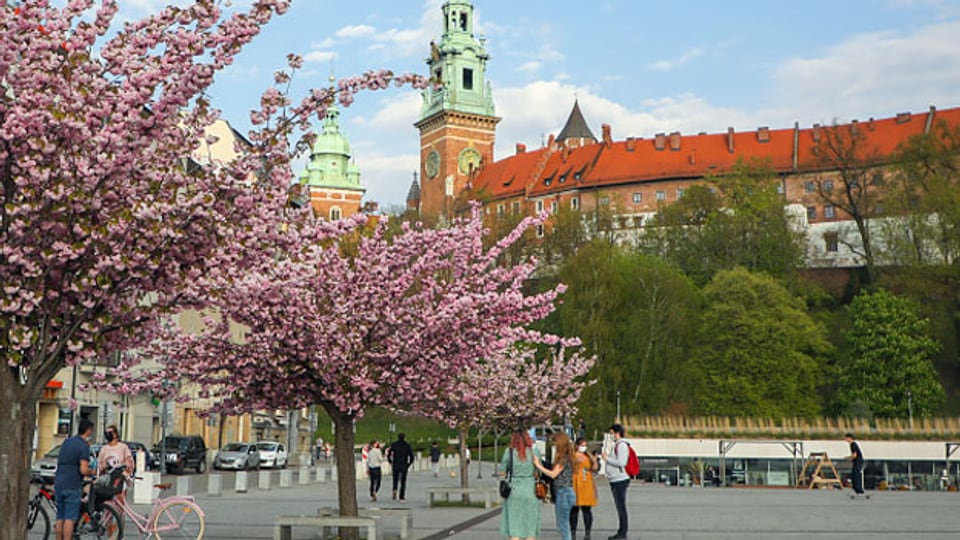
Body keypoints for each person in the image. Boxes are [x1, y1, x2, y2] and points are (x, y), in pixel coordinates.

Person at [55, 418, 95, 540]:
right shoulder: (83, 446)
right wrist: (91, 472)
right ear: (88, 431)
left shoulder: (67, 442)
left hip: (60, 482)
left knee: (60, 517)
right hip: (73, 483)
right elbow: (83, 469)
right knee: (69, 518)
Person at [534, 433, 576, 540]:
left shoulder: (563, 458)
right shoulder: (569, 457)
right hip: (567, 492)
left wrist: (538, 465)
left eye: (554, 443)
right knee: (564, 523)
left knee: (563, 525)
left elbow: (553, 474)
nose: (553, 445)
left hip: (563, 492)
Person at [500, 429, 541, 540]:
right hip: (530, 489)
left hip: (514, 490)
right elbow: (539, 471)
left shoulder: (509, 452)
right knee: (530, 526)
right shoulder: (534, 452)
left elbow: (502, 472)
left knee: (515, 525)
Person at [601, 423, 630, 540]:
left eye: (612, 433)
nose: (611, 436)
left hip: (620, 479)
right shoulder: (617, 445)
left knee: (621, 506)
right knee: (619, 506)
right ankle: (621, 530)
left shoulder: (622, 445)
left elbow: (622, 462)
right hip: (615, 479)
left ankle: (623, 532)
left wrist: (607, 458)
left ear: (617, 433)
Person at [96, 424, 133, 504]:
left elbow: (129, 461)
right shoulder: (104, 449)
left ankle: (120, 515)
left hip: (120, 479)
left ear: (115, 434)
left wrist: (127, 471)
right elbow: (100, 465)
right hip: (108, 479)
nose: (108, 434)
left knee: (120, 503)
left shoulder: (123, 447)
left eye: (110, 432)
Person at [570, 437, 599, 539]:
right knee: (574, 509)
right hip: (575, 481)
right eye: (581, 445)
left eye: (585, 445)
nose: (583, 447)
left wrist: (594, 460)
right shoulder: (572, 455)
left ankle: (588, 532)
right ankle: (572, 532)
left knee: (587, 509)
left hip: (587, 482)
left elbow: (595, 468)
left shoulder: (588, 456)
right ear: (577, 445)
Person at [389, 433, 414, 501]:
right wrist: (408, 464)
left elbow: (389, 453)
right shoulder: (407, 445)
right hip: (404, 464)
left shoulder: (394, 444)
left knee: (395, 479)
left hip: (396, 464)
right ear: (404, 438)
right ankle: (401, 496)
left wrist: (390, 462)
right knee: (403, 481)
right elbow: (411, 456)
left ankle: (394, 490)